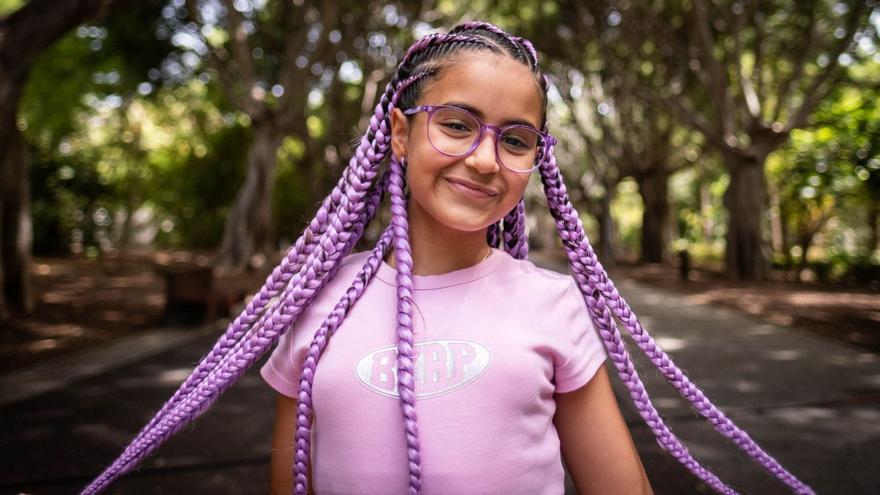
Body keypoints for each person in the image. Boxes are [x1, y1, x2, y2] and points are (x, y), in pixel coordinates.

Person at [82, 21, 813, 495]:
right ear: (399, 134)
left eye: (516, 138)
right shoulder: (317, 302)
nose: (484, 159)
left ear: (536, 159)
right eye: (456, 125)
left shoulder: (552, 304)